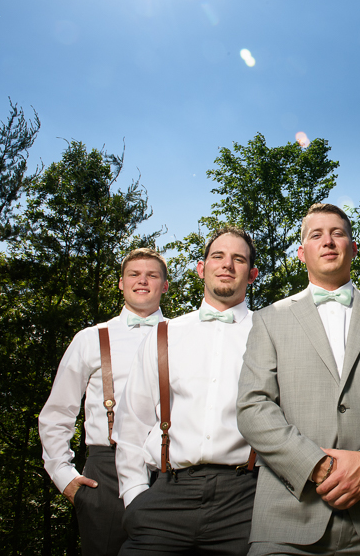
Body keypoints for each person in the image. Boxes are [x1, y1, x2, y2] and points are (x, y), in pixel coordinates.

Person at [237, 203, 360, 555]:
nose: (328, 242)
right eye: (317, 235)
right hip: (288, 515)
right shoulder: (268, 320)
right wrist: (316, 465)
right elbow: (253, 407)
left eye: (337, 233)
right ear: (301, 253)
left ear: (353, 248)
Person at [113, 227, 259, 555]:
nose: (227, 265)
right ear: (200, 268)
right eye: (217, 256)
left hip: (244, 500)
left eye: (238, 259)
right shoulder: (164, 334)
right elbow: (131, 425)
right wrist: (136, 498)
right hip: (167, 495)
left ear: (251, 274)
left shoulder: (270, 334)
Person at [38, 248, 169, 556]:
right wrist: (64, 477)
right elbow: (57, 413)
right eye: (134, 274)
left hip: (170, 471)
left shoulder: (184, 336)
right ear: (121, 283)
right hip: (105, 472)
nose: (142, 281)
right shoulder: (90, 338)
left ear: (165, 285)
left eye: (152, 275)